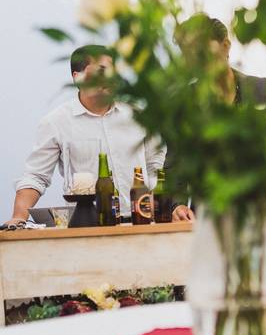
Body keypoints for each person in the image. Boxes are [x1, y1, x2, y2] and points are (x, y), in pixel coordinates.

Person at [5, 45, 165, 227]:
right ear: (77, 77)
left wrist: (153, 198)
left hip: (142, 224)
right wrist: (19, 217)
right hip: (88, 228)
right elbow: (36, 177)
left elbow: (157, 161)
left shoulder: (139, 115)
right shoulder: (56, 122)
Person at [168, 14, 266, 222]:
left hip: (261, 218)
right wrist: (177, 203)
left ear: (225, 45)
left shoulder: (264, 91)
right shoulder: (184, 103)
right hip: (205, 222)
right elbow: (175, 164)